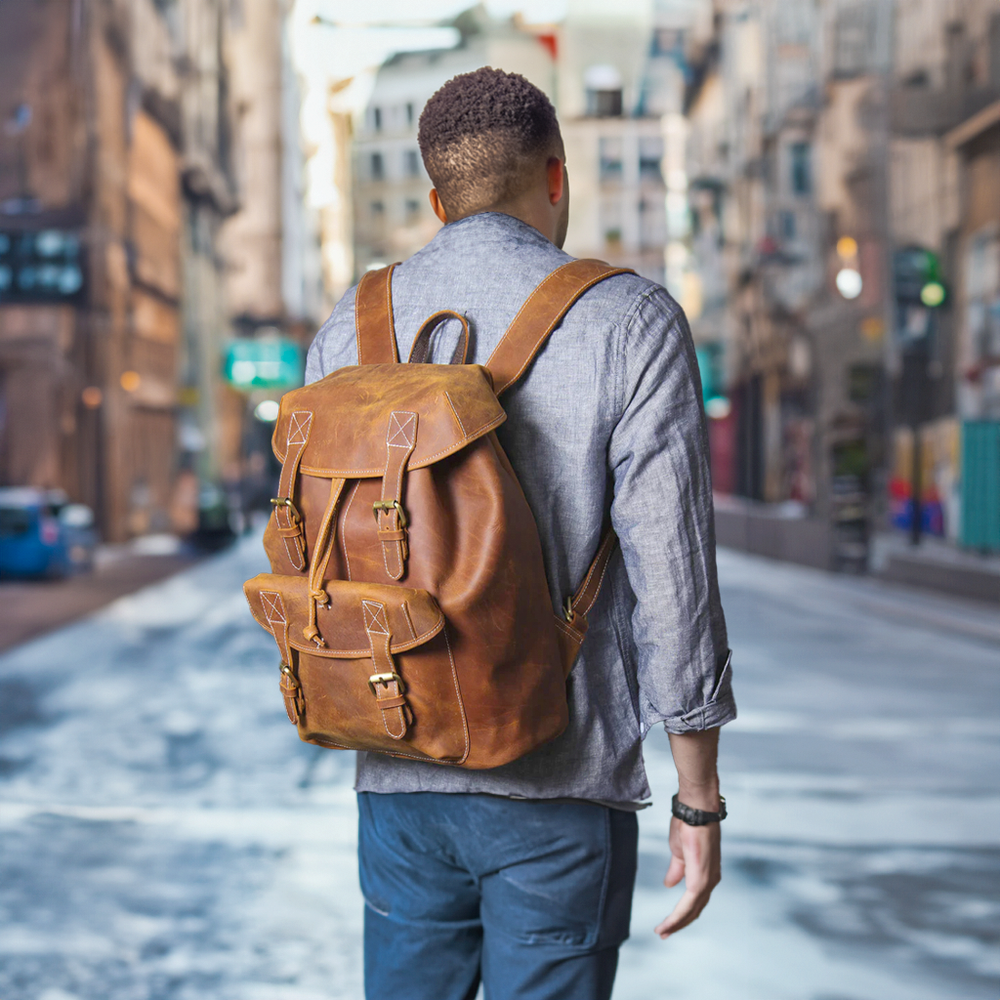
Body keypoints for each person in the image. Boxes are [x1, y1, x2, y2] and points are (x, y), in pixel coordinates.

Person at [305, 66, 736, 1000]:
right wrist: (698, 797)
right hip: (560, 784)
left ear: (437, 200)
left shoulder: (350, 326)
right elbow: (673, 574)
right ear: (556, 175)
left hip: (396, 772)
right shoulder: (629, 319)